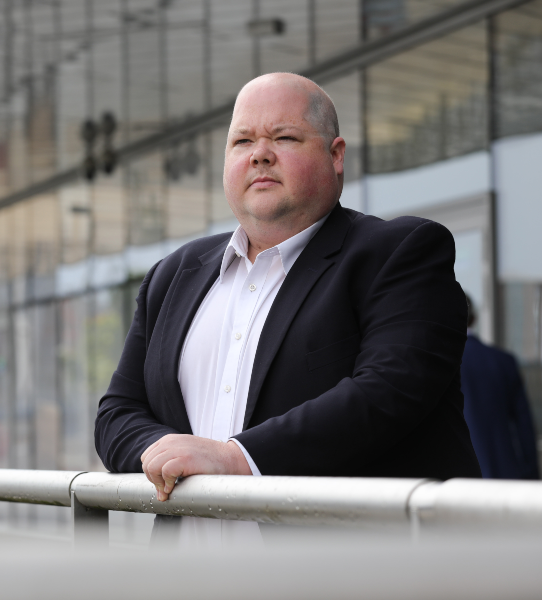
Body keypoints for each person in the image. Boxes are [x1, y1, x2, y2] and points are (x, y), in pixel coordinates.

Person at [95, 73, 480, 542]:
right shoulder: (173, 274)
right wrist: (167, 456)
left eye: (284, 137)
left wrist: (234, 459)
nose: (259, 153)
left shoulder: (399, 253)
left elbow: (389, 392)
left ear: (336, 156)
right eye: (242, 141)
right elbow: (118, 410)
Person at [460, 295, 539, 479]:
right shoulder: (503, 361)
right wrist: (532, 474)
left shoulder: (435, 362)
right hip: (505, 474)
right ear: (475, 318)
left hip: (452, 480)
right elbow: (524, 425)